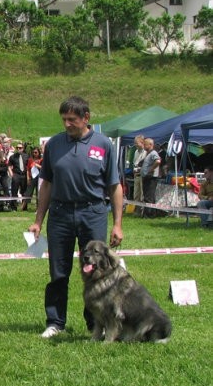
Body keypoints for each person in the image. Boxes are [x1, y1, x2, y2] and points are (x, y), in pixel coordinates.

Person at [28, 96, 123, 338]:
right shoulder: (55, 144)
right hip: (60, 214)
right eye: (64, 120)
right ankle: (55, 323)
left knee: (95, 271)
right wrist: (38, 220)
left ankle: (95, 324)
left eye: (72, 119)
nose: (67, 124)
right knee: (58, 272)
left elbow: (114, 186)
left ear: (86, 118)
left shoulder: (103, 144)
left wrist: (118, 224)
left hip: (93, 213)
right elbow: (46, 184)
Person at [140, 138, 162, 218]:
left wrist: (151, 169)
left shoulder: (153, 153)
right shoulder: (148, 153)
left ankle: (149, 215)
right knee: (147, 196)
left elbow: (158, 161)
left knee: (149, 196)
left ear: (150, 145)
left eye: (145, 144)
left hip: (151, 178)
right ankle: (149, 213)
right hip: (146, 177)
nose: (144, 146)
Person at [8, 141, 29, 211]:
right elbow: (9, 166)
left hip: (24, 175)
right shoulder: (13, 157)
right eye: (17, 148)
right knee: (14, 191)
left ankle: (24, 208)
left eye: (20, 148)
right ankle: (14, 207)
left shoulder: (26, 156)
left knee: (24, 191)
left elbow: (28, 166)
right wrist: (12, 175)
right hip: (16, 175)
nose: (18, 149)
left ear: (23, 148)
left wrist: (29, 176)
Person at [131, 135, 147, 216]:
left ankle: (142, 212)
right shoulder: (136, 152)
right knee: (136, 194)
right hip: (136, 176)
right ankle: (137, 211)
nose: (135, 145)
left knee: (142, 195)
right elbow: (134, 163)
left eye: (137, 143)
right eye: (135, 143)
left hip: (142, 176)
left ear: (142, 142)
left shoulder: (146, 152)